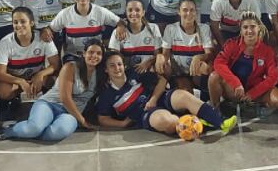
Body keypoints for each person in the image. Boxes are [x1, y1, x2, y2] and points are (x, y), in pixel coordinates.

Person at [0, 40, 105, 142]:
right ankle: (5, 132)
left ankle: (25, 128)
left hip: (70, 114)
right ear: (84, 53)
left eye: (99, 53)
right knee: (35, 128)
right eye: (91, 52)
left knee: (57, 133)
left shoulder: (100, 74)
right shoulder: (71, 67)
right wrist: (83, 121)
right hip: (49, 104)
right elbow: (65, 98)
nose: (94, 56)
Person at [96, 51, 237, 136]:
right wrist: (123, 124)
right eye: (112, 65)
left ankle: (221, 123)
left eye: (119, 64)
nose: (117, 68)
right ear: (106, 70)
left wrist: (153, 99)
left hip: (159, 98)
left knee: (183, 95)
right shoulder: (106, 94)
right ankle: (199, 121)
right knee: (168, 122)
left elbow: (162, 80)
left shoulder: (134, 73)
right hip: (146, 114)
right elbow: (102, 118)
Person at [209, 11, 278, 114]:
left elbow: (273, 77)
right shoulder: (232, 44)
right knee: (214, 76)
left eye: (252, 27)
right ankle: (215, 110)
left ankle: (251, 104)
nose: (249, 31)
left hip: (254, 88)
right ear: (241, 30)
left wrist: (253, 93)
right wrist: (236, 83)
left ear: (258, 28)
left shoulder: (267, 51)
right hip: (234, 89)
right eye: (245, 27)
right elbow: (219, 63)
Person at [0, 7, 60, 122]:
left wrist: (40, 75)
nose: (19, 25)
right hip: (15, 79)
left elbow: (55, 64)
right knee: (3, 91)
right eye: (15, 22)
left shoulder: (43, 38)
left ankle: (49, 104)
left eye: (23, 21)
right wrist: (20, 81)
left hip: (35, 77)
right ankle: (10, 104)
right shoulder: (5, 42)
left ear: (32, 23)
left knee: (54, 80)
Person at [49, 0, 121, 60]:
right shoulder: (64, 14)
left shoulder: (100, 11)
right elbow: (51, 29)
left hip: (94, 55)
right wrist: (45, 30)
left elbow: (120, 22)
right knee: (68, 69)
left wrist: (121, 26)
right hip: (74, 56)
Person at [156, 0, 214, 92]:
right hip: (178, 71)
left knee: (205, 67)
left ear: (196, 12)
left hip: (196, 71)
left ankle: (205, 91)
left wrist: (198, 57)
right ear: (178, 12)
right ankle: (167, 88)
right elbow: (165, 55)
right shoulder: (171, 29)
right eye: (185, 10)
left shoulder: (204, 28)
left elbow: (210, 54)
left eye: (192, 10)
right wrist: (160, 57)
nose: (189, 13)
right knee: (163, 65)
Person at [109, 0, 162, 72]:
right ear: (126, 12)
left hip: (149, 69)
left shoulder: (153, 28)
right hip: (127, 71)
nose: (133, 13)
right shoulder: (117, 32)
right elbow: (113, 57)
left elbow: (158, 54)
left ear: (143, 12)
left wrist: (148, 63)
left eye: (137, 10)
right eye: (130, 10)